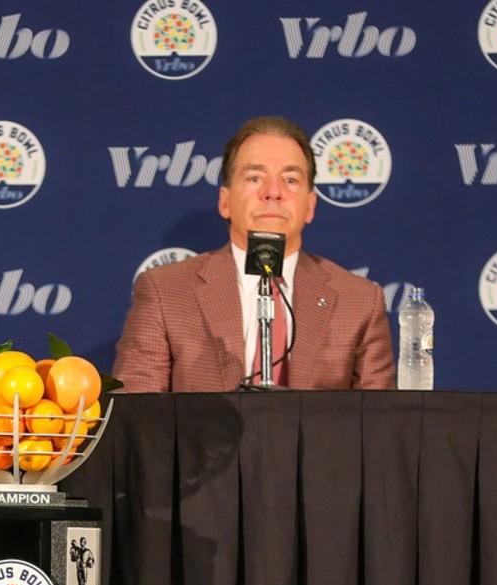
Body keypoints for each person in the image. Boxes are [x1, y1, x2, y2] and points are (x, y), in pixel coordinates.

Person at [112, 116, 395, 392]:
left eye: (291, 180)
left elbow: (379, 426)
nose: (273, 192)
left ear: (310, 206)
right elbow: (138, 418)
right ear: (225, 202)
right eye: (255, 177)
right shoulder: (166, 292)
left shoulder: (359, 302)